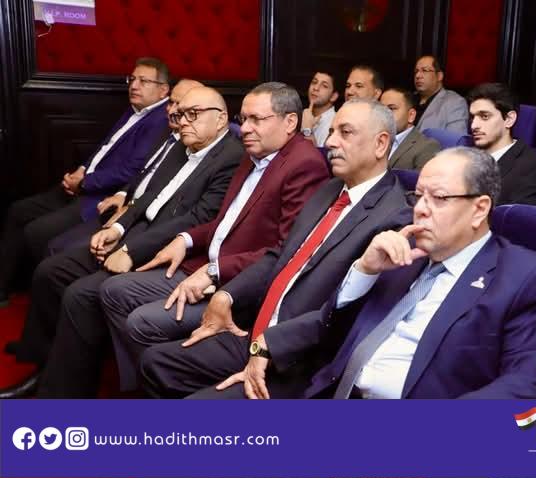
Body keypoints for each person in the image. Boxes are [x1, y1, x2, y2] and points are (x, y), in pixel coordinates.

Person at [192, 147, 536, 400]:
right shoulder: (403, 256)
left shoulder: (525, 277)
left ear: (479, 208)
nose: (421, 209)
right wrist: (364, 271)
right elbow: (331, 327)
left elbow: (531, 384)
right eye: (418, 196)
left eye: (438, 198)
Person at [34, 82, 330, 398]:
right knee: (112, 290)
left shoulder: (303, 164)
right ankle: (153, 381)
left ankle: (163, 379)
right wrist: (185, 239)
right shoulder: (255, 154)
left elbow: (287, 252)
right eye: (244, 119)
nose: (245, 128)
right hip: (203, 262)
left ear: (290, 122)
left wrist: (215, 271)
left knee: (139, 320)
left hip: (237, 285)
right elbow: (221, 221)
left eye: (256, 119)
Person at [140, 98, 414, 399]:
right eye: (331, 131)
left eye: (345, 133)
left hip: (297, 361)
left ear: (380, 144)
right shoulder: (330, 190)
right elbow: (281, 255)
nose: (330, 142)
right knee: (155, 363)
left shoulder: (394, 218)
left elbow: (350, 313)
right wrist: (228, 294)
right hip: (256, 330)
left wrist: (271, 344)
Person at [0, 86, 242, 398]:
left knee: (80, 295)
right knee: (50, 271)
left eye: (193, 114)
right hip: (138, 230)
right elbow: (148, 196)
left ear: (221, 118)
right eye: (181, 113)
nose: (182, 120)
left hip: (168, 247)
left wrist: (130, 250)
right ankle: (41, 364)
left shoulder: (231, 158)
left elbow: (196, 219)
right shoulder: (183, 145)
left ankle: (60, 396)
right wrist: (117, 228)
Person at [0, 57, 171, 306]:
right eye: (132, 79)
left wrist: (84, 183)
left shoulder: (160, 120)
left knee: (36, 232)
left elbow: (131, 171)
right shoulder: (134, 110)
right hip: (85, 183)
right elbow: (104, 148)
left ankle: (43, 300)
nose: (134, 85)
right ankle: (5, 288)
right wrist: (80, 171)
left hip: (100, 196)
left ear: (163, 90)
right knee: (18, 210)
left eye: (143, 81)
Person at [45, 78, 204, 255]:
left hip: (141, 222)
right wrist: (122, 194)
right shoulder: (167, 131)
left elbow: (162, 193)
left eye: (180, 106)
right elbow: (142, 171)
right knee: (54, 245)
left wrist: (130, 208)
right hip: (120, 205)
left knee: (57, 253)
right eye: (171, 102)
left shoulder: (192, 147)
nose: (171, 110)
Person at [467, 82, 536, 207]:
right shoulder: (466, 156)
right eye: (472, 117)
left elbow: (518, 218)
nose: (474, 126)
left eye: (484, 116)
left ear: (509, 119)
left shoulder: (532, 170)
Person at [380, 87, 441, 171]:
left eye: (392, 108)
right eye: (381, 109)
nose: (384, 114)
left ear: (411, 115)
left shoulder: (427, 146)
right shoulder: (372, 141)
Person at [413, 55, 468, 134]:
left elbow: (455, 138)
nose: (418, 76)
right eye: (416, 71)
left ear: (439, 76)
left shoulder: (455, 102)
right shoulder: (408, 99)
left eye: (425, 70)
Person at [300, 70, 339, 146]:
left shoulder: (335, 122)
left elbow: (320, 154)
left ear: (333, 96)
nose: (316, 88)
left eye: (324, 86)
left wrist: (307, 130)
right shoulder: (303, 114)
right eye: (314, 82)